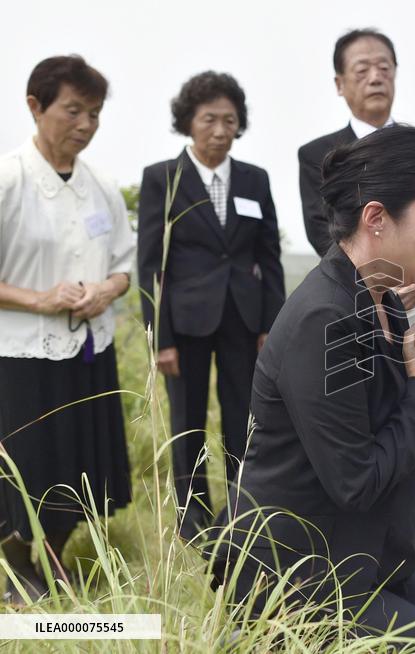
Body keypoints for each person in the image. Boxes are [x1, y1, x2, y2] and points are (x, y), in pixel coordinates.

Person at [210, 125, 415, 652]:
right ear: (376, 218)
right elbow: (356, 481)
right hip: (303, 578)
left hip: (371, 556)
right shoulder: (323, 319)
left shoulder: (386, 300)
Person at [299, 28, 415, 513]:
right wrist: (384, 289)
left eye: (384, 66)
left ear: (396, 74)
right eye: (362, 69)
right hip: (365, 299)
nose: (376, 76)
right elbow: (325, 231)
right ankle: (400, 491)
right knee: (382, 396)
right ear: (340, 83)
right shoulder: (318, 154)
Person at [0, 55, 133, 602]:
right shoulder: (9, 178)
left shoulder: (100, 184)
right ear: (35, 107)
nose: (85, 125)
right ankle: (16, 565)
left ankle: (55, 556)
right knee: (26, 461)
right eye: (73, 110)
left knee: (77, 459)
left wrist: (107, 289)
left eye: (95, 113)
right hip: (21, 354)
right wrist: (41, 298)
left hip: (87, 348)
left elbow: (125, 261)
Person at [137, 72, 285, 541]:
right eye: (209, 119)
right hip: (184, 323)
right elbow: (149, 265)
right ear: (188, 122)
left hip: (244, 319)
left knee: (245, 415)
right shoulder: (162, 178)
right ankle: (192, 517)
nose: (220, 130)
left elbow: (269, 257)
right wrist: (158, 338)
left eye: (230, 120)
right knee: (188, 419)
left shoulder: (254, 179)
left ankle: (244, 510)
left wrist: (271, 324)